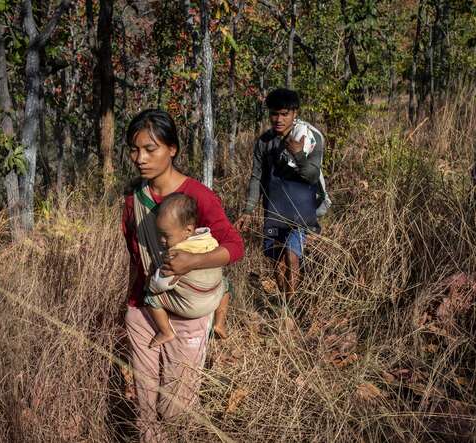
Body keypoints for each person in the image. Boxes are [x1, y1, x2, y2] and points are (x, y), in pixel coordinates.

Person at [121, 109, 243, 440]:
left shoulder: (198, 196)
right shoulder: (135, 199)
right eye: (135, 150)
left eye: (150, 149)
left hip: (187, 315)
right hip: (143, 308)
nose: (140, 158)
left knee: (178, 404)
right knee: (145, 402)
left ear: (172, 149)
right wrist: (141, 299)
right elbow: (136, 255)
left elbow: (235, 246)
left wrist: (190, 262)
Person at [234, 88, 325, 297]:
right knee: (276, 259)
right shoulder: (264, 142)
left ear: (295, 113)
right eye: (274, 113)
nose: (279, 119)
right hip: (274, 209)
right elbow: (256, 177)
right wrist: (248, 209)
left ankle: (291, 310)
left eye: (285, 114)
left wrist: (299, 155)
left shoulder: (310, 139)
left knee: (292, 257)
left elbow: (312, 176)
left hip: (300, 209)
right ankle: (284, 304)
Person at [145, 192, 228, 348]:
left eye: (165, 235)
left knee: (150, 299)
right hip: (214, 299)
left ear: (188, 230)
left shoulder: (176, 255)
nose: (161, 240)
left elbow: (161, 285)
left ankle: (165, 331)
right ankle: (220, 322)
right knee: (227, 285)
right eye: (159, 234)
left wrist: (151, 282)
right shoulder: (208, 239)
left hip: (192, 307)